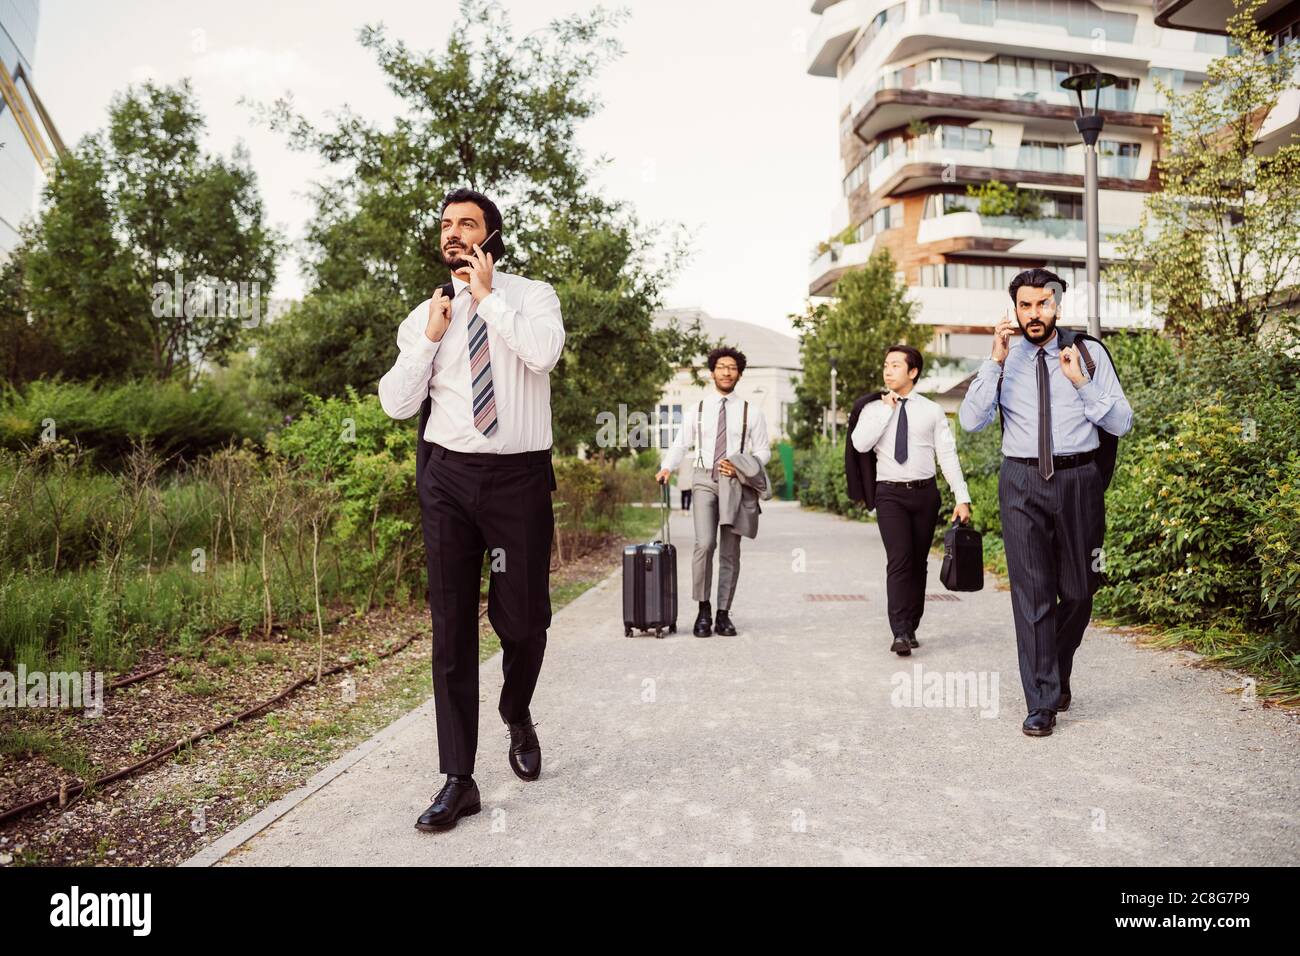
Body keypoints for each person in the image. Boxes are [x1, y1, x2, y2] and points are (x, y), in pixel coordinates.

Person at [378, 188, 565, 829]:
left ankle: (516, 710)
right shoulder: (426, 314)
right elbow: (397, 404)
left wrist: (488, 300)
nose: (453, 233)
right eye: (446, 225)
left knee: (524, 619)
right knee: (451, 627)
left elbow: (542, 354)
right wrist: (428, 339)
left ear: (491, 235)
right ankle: (459, 778)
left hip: (517, 480)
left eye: (467, 223)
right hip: (450, 480)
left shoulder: (532, 296)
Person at [959, 268, 1132, 737]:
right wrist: (994, 360)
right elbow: (971, 421)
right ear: (1014, 309)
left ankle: (1054, 667)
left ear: (1058, 304)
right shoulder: (1005, 358)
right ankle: (1041, 701)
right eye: (1025, 306)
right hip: (1021, 481)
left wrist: (1081, 383)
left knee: (1080, 590)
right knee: (1032, 593)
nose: (1034, 314)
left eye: (1044, 304)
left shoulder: (1089, 353)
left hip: (1079, 479)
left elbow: (1121, 421)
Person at [851, 345, 971, 656]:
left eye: (894, 365)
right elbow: (860, 444)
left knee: (918, 562)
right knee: (900, 559)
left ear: (912, 372)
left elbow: (947, 455)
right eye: (885, 365)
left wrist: (962, 497)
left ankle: (912, 623)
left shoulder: (931, 411)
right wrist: (886, 410)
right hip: (889, 493)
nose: (887, 371)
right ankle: (900, 630)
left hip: (925, 494)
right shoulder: (872, 409)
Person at [655, 347, 771, 637]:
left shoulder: (751, 412)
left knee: (730, 551)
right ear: (712, 372)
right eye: (721, 367)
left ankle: (723, 613)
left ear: (739, 374)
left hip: (736, 483)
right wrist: (667, 467)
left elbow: (764, 451)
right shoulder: (698, 409)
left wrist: (743, 467)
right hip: (704, 478)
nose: (727, 372)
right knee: (704, 544)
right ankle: (703, 609)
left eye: (732, 367)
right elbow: (681, 443)